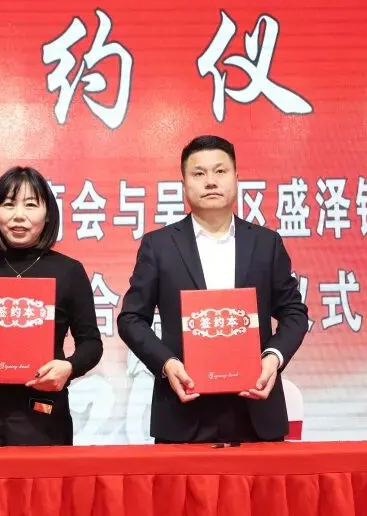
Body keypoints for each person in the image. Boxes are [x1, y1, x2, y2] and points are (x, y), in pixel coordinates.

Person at [116, 135, 309, 444]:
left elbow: (294, 312)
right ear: (184, 184)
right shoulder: (159, 246)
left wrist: (273, 357)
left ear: (236, 177)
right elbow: (131, 319)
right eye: (199, 173)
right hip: (183, 408)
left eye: (220, 171)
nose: (210, 181)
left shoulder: (266, 243)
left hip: (255, 409)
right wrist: (166, 364)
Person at [0, 166, 103, 447]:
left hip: (41, 415)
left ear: (47, 214)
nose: (18, 215)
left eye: (30, 205)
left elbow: (91, 343)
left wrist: (69, 367)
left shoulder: (69, 271)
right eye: (8, 204)